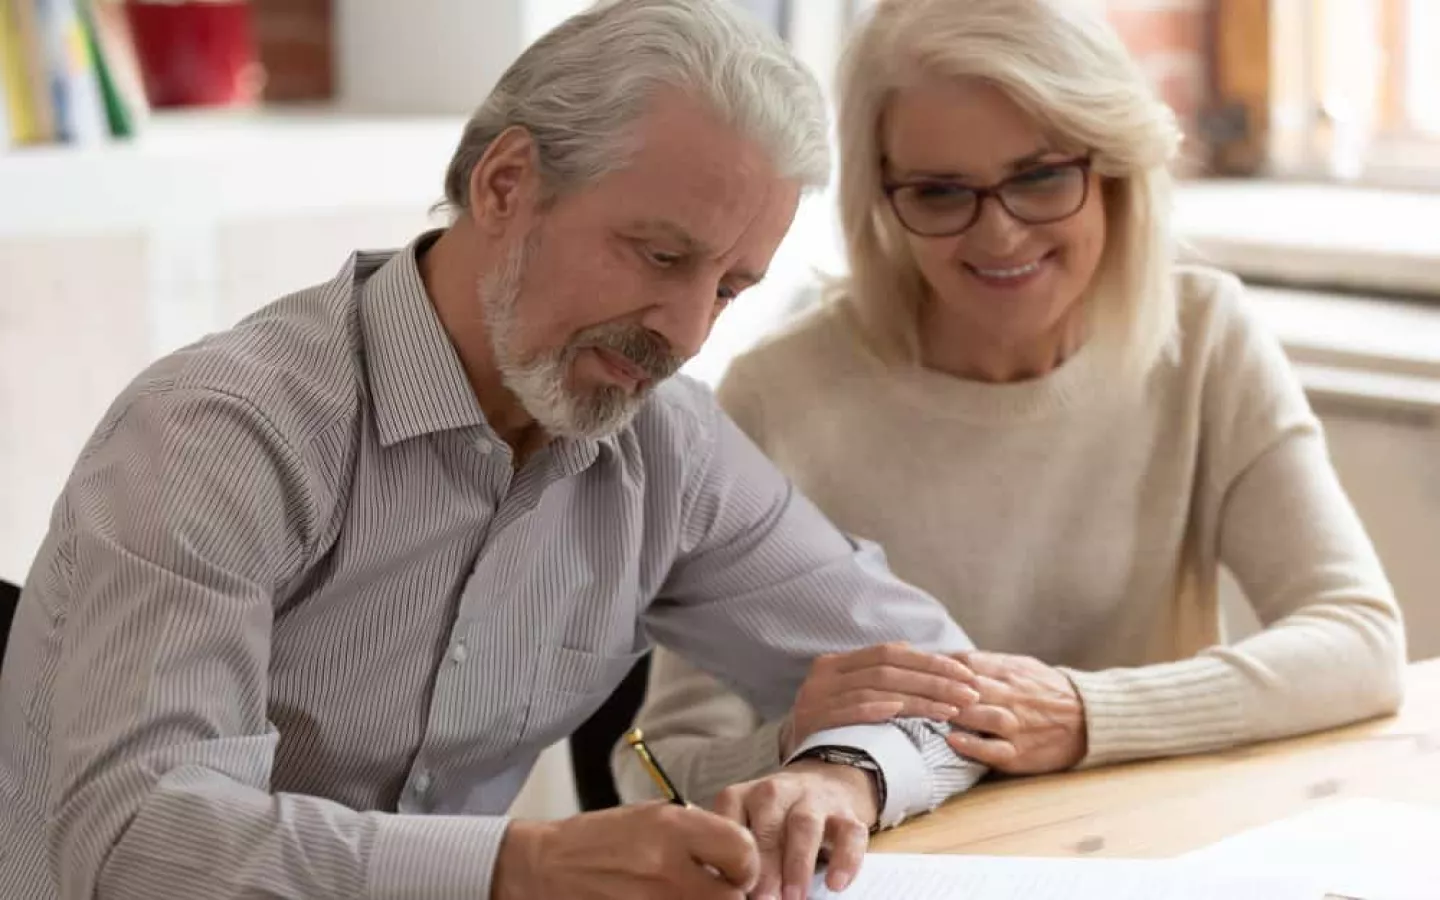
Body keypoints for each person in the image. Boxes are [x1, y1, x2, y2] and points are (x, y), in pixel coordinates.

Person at [0, 2, 992, 898]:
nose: (688, 332)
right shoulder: (219, 433)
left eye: (729, 286)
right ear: (506, 183)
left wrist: (842, 774)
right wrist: (525, 863)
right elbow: (136, 842)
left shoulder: (663, 444)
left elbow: (949, 685)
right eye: (659, 255)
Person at [614, 0, 1407, 807]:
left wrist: (1083, 715)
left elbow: (1360, 639)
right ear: (882, 196)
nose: (997, 237)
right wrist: (794, 748)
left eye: (1039, 176)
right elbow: (659, 767)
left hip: (1150, 848)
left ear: (1116, 168)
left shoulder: (1205, 337)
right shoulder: (778, 393)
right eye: (939, 192)